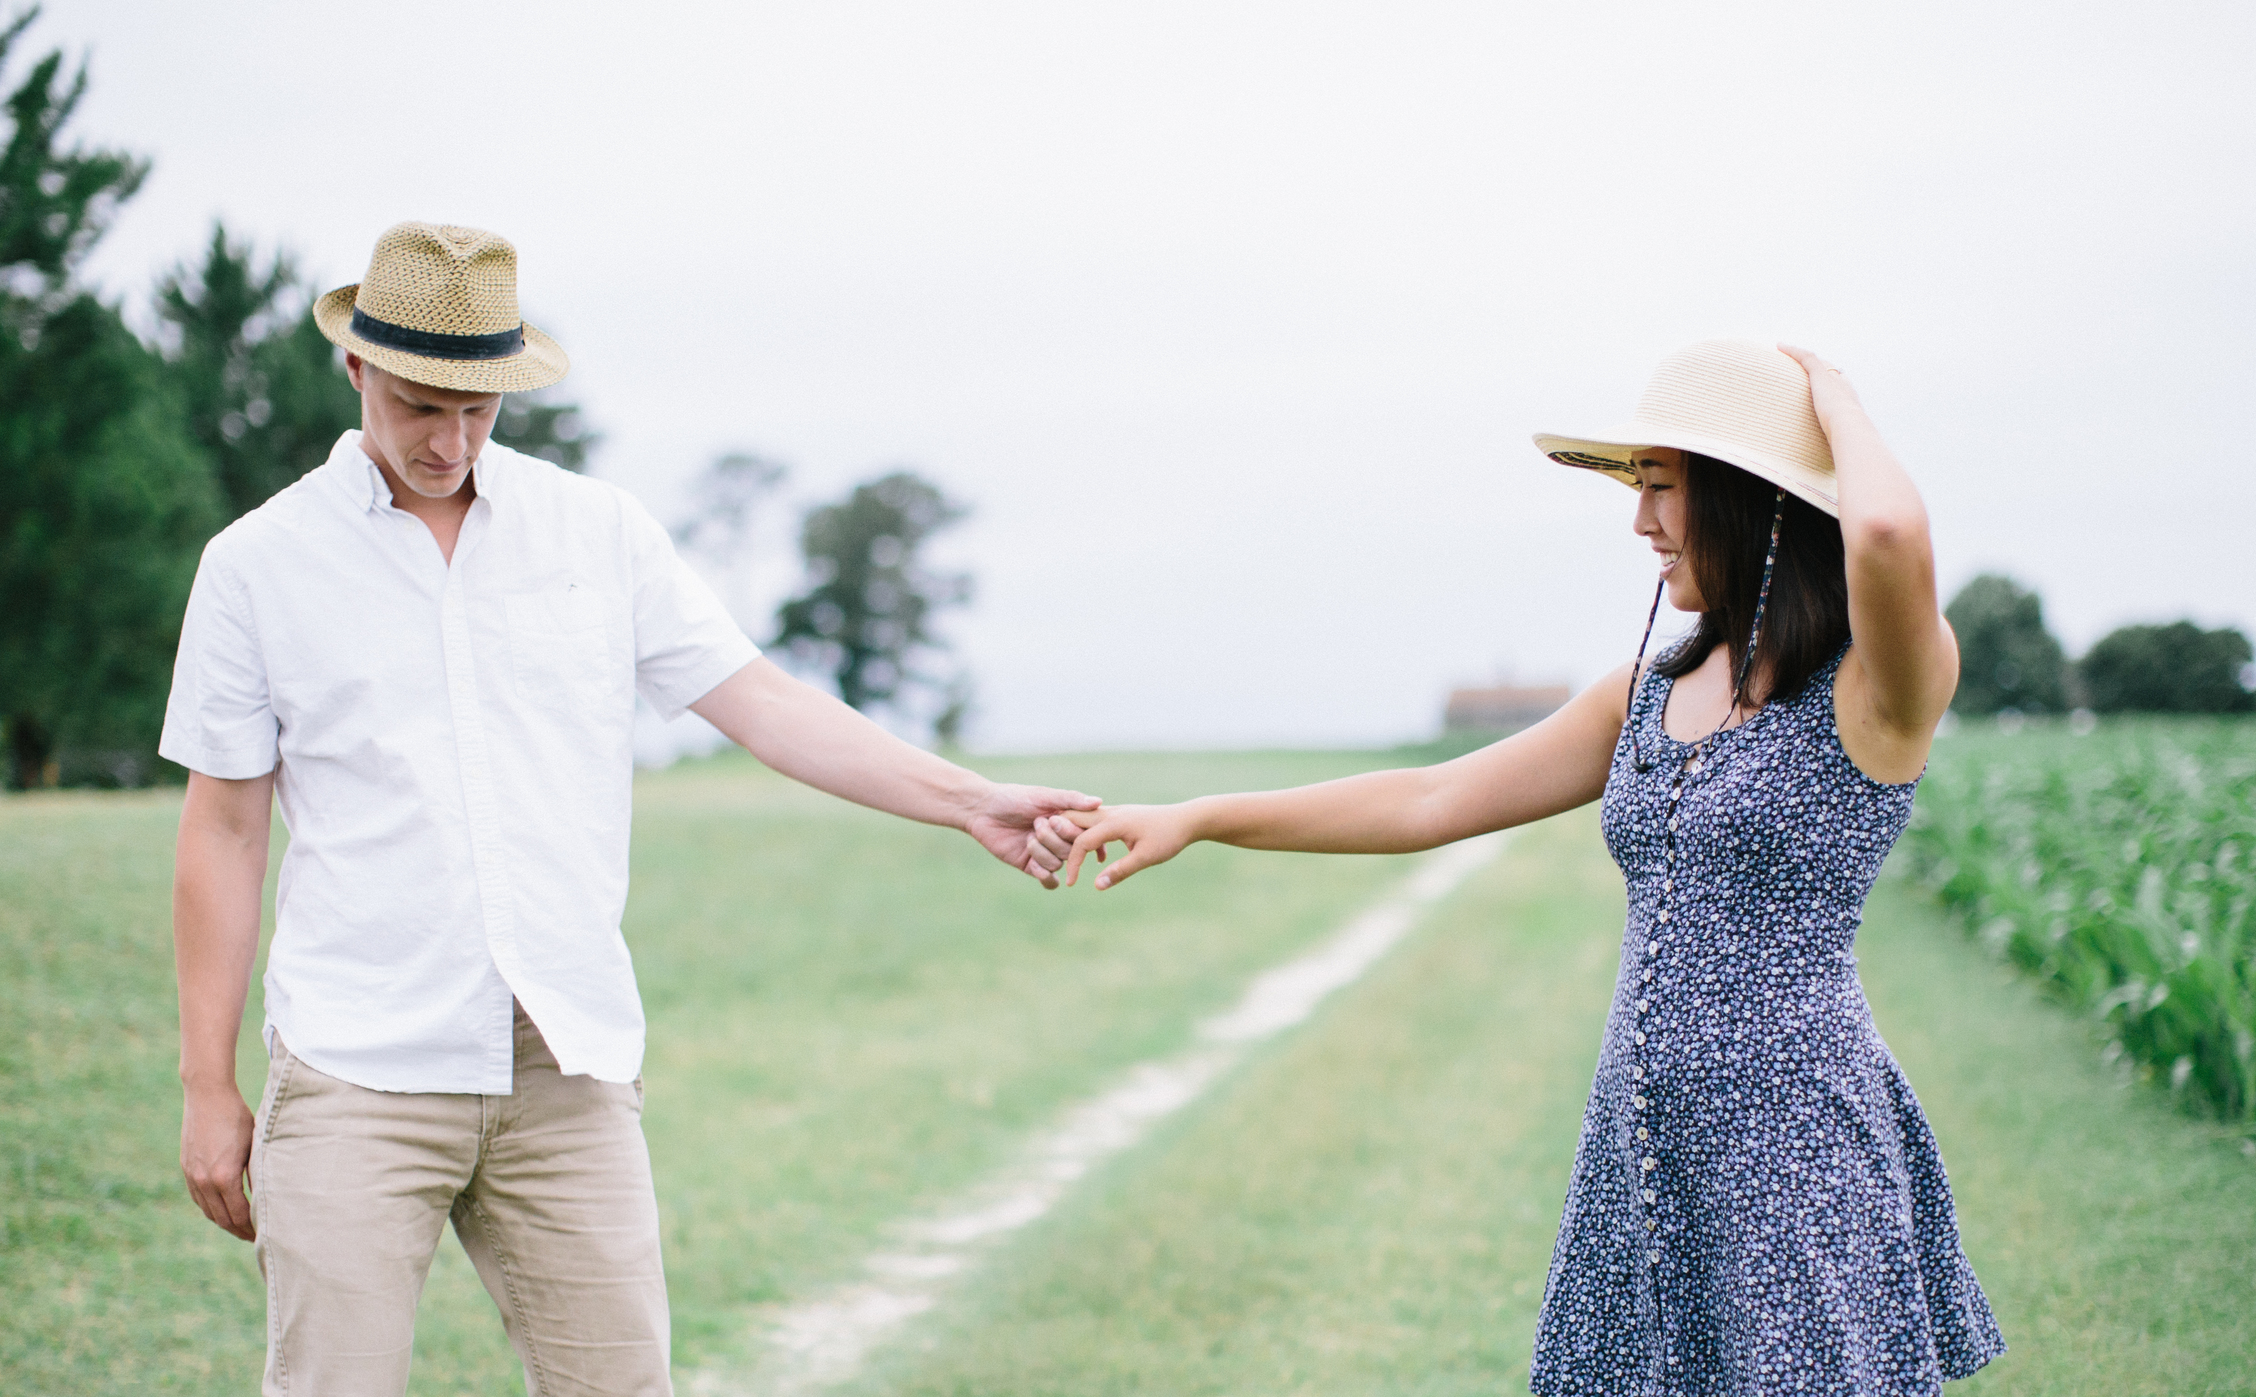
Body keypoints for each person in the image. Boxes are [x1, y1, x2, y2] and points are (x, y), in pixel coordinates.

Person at [164, 221, 1098, 1397]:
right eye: (419, 407)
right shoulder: (257, 566)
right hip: (359, 1066)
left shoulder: (596, 535)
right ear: (356, 370)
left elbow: (761, 703)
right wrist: (208, 1087)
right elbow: (225, 827)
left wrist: (971, 801)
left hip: (567, 1065)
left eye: (479, 410)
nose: (450, 442)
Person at [1062, 340, 2005, 1394]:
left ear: (1754, 500)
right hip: (1644, 1144)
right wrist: (1199, 816)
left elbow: (1881, 529)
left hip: (1794, 1145)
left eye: (1660, 487)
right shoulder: (1642, 693)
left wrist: (1830, 397)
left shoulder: (1877, 690)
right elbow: (1429, 799)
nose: (1639, 522)